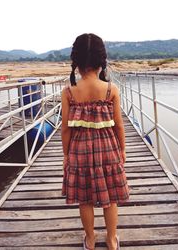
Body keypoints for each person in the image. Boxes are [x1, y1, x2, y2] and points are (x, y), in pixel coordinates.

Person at [61, 33, 130, 250]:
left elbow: (65, 129)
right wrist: (123, 149)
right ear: (102, 62)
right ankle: (111, 239)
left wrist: (65, 155)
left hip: (79, 151)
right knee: (111, 198)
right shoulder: (111, 90)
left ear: (77, 62)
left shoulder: (69, 92)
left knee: (85, 198)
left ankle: (90, 239)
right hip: (108, 148)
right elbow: (119, 125)